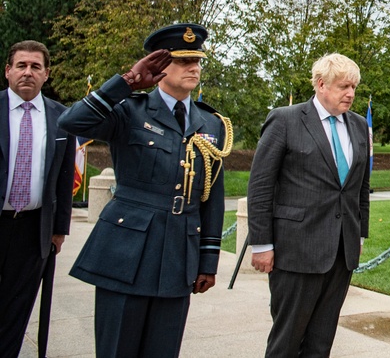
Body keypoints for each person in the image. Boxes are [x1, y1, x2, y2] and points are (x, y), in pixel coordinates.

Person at [58, 23, 232, 358]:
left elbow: (211, 195)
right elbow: (70, 123)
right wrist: (124, 84)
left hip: (178, 255)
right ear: (158, 65)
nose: (194, 67)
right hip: (127, 251)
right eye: (183, 61)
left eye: (197, 61)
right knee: (118, 349)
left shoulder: (211, 124)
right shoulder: (128, 110)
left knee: (162, 351)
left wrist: (207, 259)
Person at [246, 53, 371, 357]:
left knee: (320, 342)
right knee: (287, 341)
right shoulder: (285, 119)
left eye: (353, 87)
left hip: (341, 253)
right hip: (296, 251)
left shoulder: (357, 125)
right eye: (344, 86)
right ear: (320, 85)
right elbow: (260, 185)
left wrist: (360, 234)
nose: (351, 94)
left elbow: (361, 187)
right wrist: (261, 243)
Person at [1, 40, 75, 358]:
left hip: (33, 232)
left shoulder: (62, 118)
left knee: (15, 314)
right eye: (21, 65)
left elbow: (62, 179)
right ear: (8, 71)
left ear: (47, 74)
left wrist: (59, 230)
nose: (27, 73)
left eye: (35, 66)